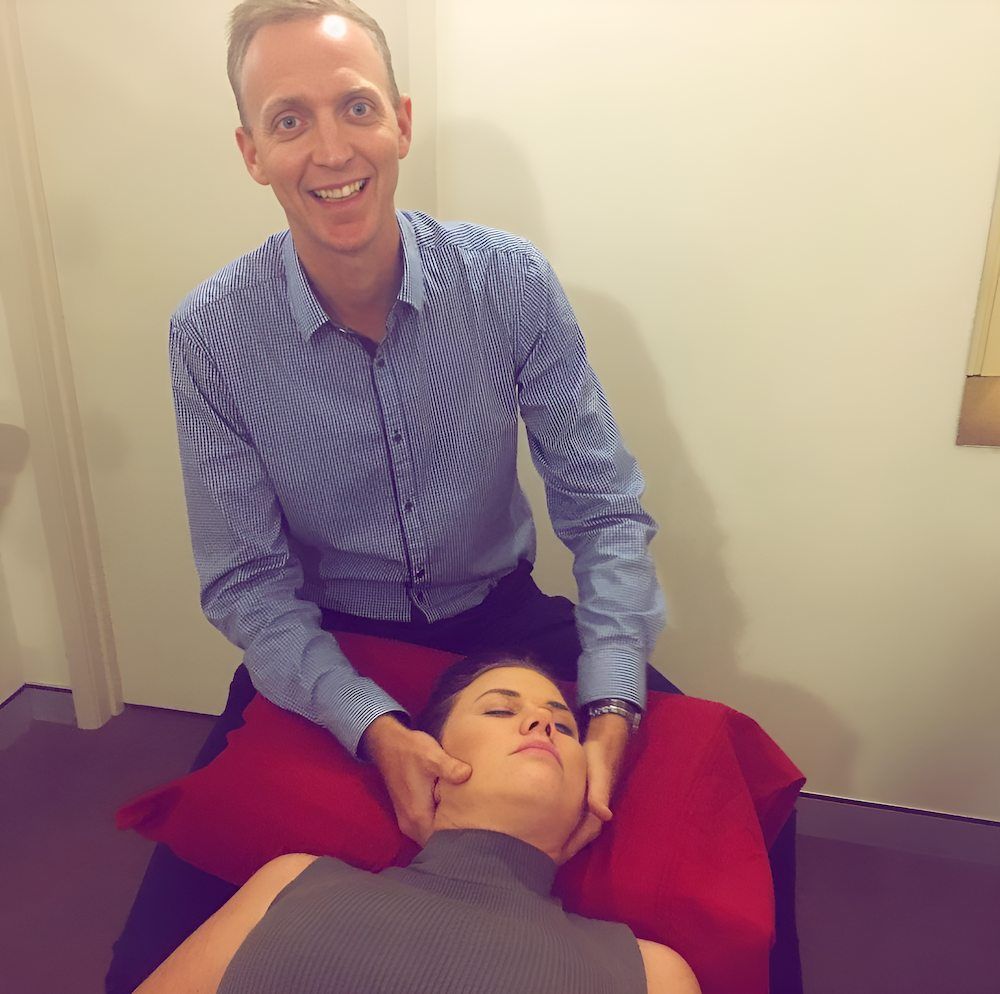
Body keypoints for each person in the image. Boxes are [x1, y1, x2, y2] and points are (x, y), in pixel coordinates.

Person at [106, 2, 678, 990]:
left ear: (401, 122)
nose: (330, 149)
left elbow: (603, 507)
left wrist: (613, 705)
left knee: (733, 814)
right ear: (250, 152)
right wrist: (368, 725)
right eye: (290, 120)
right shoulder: (210, 335)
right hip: (331, 640)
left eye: (355, 107)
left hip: (505, 625)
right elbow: (247, 583)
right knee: (150, 950)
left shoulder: (507, 282)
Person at [134, 658, 701, 994]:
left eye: (564, 726)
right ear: (426, 763)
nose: (541, 722)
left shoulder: (653, 975)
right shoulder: (291, 882)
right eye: (500, 710)